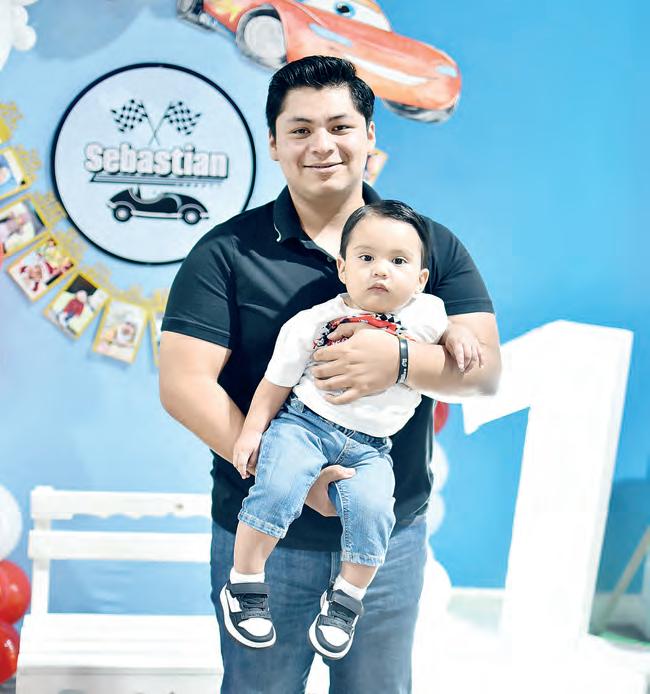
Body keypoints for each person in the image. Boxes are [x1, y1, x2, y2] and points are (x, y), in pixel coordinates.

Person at [160, 56, 501, 693]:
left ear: (370, 135)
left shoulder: (426, 244)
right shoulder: (225, 253)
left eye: (341, 126)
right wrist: (294, 477)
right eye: (300, 130)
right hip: (265, 535)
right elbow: (184, 385)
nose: (322, 145)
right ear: (274, 142)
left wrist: (400, 360)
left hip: (388, 537)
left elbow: (483, 373)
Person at [222, 199, 484, 660]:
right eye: (366, 258)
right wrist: (251, 432)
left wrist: (457, 335)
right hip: (304, 426)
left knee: (374, 512)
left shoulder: (427, 314)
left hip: (370, 449)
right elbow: (275, 383)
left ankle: (345, 601)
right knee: (277, 486)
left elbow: (451, 335)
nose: (381, 270)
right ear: (343, 268)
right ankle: (244, 583)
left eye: (398, 261)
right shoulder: (314, 320)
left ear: (420, 278)